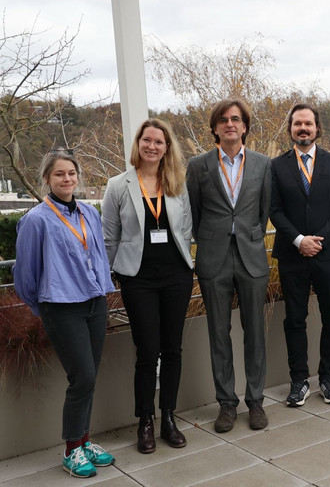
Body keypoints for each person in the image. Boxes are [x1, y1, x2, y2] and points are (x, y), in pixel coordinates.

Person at [13, 150, 116, 478]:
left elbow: (98, 255)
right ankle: (72, 449)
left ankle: (84, 441)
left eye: (71, 173)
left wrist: (102, 289)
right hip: (61, 307)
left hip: (94, 303)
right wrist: (40, 306)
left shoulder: (89, 212)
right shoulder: (36, 220)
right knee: (81, 376)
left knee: (90, 376)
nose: (67, 179)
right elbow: (25, 273)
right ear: (47, 178)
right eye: (59, 174)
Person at [101, 119, 194, 454]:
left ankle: (168, 416)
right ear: (138, 143)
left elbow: (186, 230)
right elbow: (109, 236)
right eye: (147, 140)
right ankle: (145, 421)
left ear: (167, 148)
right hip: (137, 278)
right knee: (147, 351)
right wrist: (106, 277)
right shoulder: (117, 185)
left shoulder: (177, 182)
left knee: (172, 350)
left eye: (159, 141)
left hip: (176, 276)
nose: (152, 146)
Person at [186, 98, 272, 432]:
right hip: (213, 257)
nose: (230, 124)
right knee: (219, 334)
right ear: (215, 128)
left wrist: (248, 235)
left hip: (251, 256)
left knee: (255, 333)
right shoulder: (198, 165)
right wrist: (211, 238)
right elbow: (193, 214)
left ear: (245, 126)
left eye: (236, 119)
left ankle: (256, 402)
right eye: (223, 119)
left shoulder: (264, 165)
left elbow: (263, 212)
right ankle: (226, 404)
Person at [270, 103, 330, 407]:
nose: (303, 128)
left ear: (318, 128)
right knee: (294, 320)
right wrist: (299, 240)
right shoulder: (277, 166)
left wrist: (319, 240)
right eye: (297, 124)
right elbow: (274, 210)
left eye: (308, 124)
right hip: (292, 255)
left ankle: (328, 380)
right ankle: (298, 381)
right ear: (290, 128)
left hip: (328, 254)